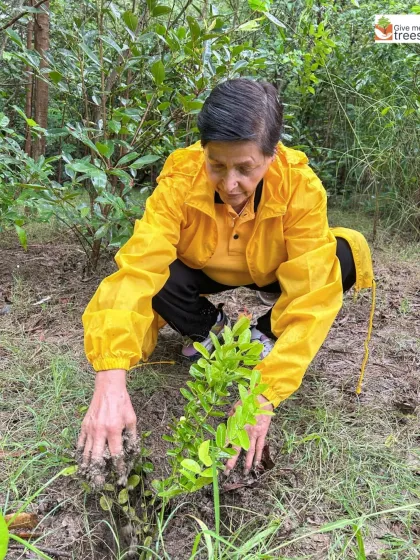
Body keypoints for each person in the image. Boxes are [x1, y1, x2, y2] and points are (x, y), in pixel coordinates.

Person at [78, 79, 374, 478]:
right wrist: (110, 377)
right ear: (204, 151)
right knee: (159, 276)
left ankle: (263, 337)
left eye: (245, 168)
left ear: (272, 156)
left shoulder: (301, 187)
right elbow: (137, 270)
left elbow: (311, 295)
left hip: (270, 271)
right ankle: (211, 332)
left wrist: (263, 394)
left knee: (340, 257)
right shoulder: (181, 179)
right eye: (216, 165)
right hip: (202, 270)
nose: (229, 184)